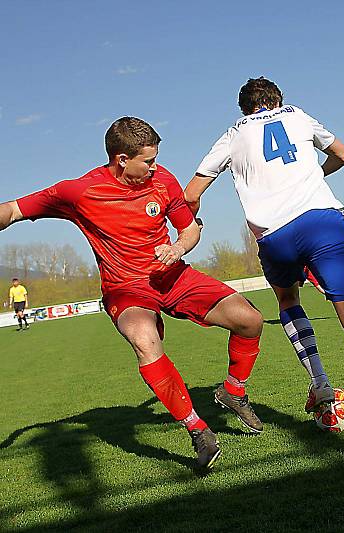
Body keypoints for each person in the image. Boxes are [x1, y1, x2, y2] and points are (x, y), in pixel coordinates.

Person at [0, 117, 265, 470]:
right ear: (122, 159)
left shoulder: (164, 180)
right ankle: (198, 429)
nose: (156, 167)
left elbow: (188, 230)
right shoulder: (78, 192)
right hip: (126, 289)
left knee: (250, 320)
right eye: (148, 161)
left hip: (173, 277)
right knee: (144, 338)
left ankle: (232, 392)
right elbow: (14, 210)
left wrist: (178, 248)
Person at [184, 77, 344, 466]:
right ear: (277, 101)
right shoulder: (298, 115)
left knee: (289, 300)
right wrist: (313, 179)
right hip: (321, 221)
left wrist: (192, 223)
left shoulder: (232, 135)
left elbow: (191, 193)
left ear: (245, 109)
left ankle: (321, 384)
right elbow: (343, 154)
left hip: (274, 236)